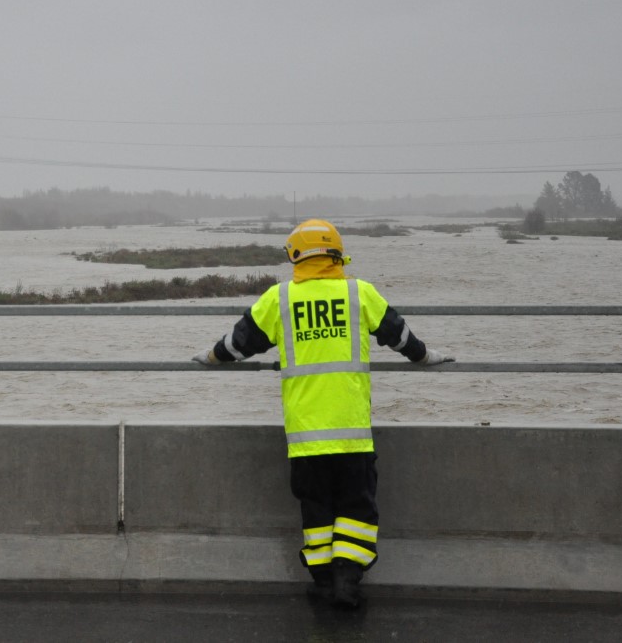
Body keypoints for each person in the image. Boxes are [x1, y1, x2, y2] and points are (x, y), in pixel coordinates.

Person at [192, 218, 453, 609]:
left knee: (316, 508)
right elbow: (400, 336)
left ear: (295, 256)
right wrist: (426, 357)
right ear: (337, 254)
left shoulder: (279, 298)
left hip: (305, 436)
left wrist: (211, 357)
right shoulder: (358, 293)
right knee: (356, 505)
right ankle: (348, 579)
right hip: (351, 433)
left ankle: (322, 580)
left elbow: (239, 343)